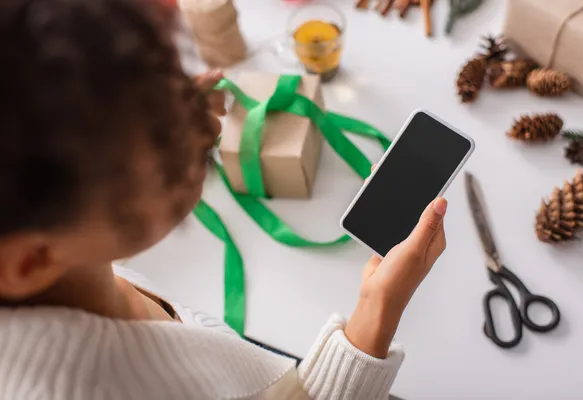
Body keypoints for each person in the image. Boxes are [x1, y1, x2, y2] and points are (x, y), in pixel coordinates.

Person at [0, 0, 448, 399]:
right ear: (29, 261)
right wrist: (377, 312)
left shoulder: (56, 250)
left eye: (171, 77)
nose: (208, 123)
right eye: (162, 140)